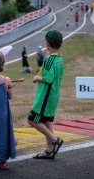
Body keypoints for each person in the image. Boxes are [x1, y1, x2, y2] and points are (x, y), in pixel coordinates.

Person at [28, 30, 64, 159]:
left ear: (47, 43)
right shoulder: (59, 59)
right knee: (47, 121)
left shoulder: (49, 60)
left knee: (32, 119)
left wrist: (36, 78)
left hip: (45, 97)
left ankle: (55, 140)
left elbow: (47, 79)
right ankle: (49, 151)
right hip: (53, 96)